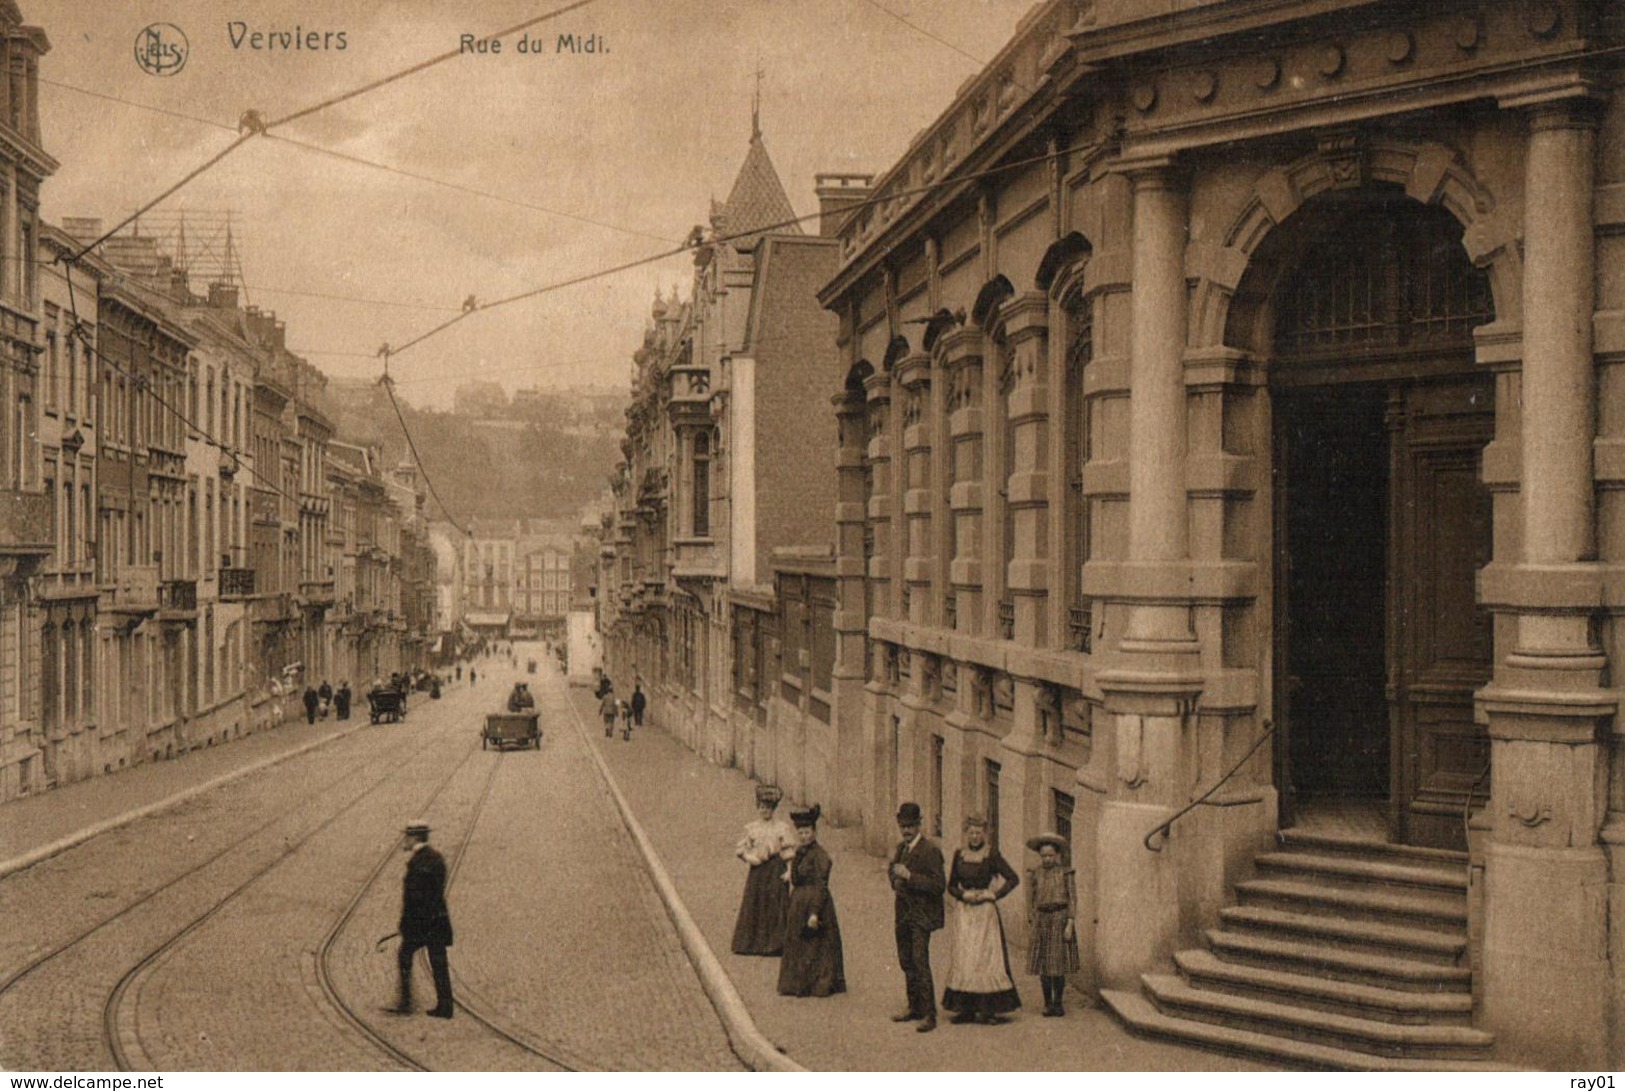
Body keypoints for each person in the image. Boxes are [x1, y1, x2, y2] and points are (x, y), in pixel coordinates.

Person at [941, 815, 1021, 1024]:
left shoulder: (991, 855)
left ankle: (988, 1010)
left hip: (985, 914)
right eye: (971, 832)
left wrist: (993, 894)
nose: (975, 836)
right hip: (965, 913)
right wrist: (962, 895)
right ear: (966, 833)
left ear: (985, 834)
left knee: (985, 960)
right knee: (965, 958)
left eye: (979, 833)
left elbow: (1013, 878)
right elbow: (951, 885)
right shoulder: (959, 855)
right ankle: (965, 1009)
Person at [777, 804, 846, 998]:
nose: (804, 836)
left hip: (816, 902)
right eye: (801, 833)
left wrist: (815, 912)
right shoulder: (801, 852)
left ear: (814, 832)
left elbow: (821, 886)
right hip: (799, 902)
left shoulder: (820, 856)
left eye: (807, 832)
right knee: (799, 943)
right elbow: (796, 879)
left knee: (817, 945)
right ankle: (798, 983)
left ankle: (819, 983)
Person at [890, 801, 945, 1032]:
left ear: (919, 824)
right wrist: (894, 879)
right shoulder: (901, 848)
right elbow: (892, 870)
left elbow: (939, 885)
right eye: (903, 826)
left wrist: (909, 876)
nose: (906, 830)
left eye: (911, 826)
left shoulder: (930, 850)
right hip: (903, 913)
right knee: (906, 960)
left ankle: (930, 1014)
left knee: (920, 961)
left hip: (922, 915)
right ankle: (914, 1006)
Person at [390, 820, 454, 1018]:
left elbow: (413, 898)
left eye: (407, 837)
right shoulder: (436, 858)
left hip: (421, 924)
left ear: (415, 838)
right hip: (437, 920)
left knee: (404, 955)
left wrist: (405, 924)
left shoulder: (417, 863)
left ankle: (406, 1002)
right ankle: (446, 1007)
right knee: (439, 963)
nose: (404, 840)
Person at [730, 785, 794, 956]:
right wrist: (750, 858)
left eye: (768, 808)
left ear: (773, 810)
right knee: (756, 902)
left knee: (775, 904)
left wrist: (789, 871)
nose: (765, 811)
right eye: (762, 807)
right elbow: (741, 849)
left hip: (776, 869)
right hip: (758, 871)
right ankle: (754, 944)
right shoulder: (751, 828)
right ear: (757, 808)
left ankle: (775, 945)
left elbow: (787, 851)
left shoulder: (781, 827)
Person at [1025, 832, 1080, 1017]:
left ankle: (1058, 1002)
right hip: (1042, 919)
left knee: (1057, 965)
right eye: (1043, 856)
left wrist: (1070, 923)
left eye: (1050, 855)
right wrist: (1032, 920)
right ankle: (1047, 1003)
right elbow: (1030, 899)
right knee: (1044, 965)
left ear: (1056, 854)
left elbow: (1072, 899)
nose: (1047, 859)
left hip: (1060, 918)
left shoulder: (1066, 873)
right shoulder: (1035, 874)